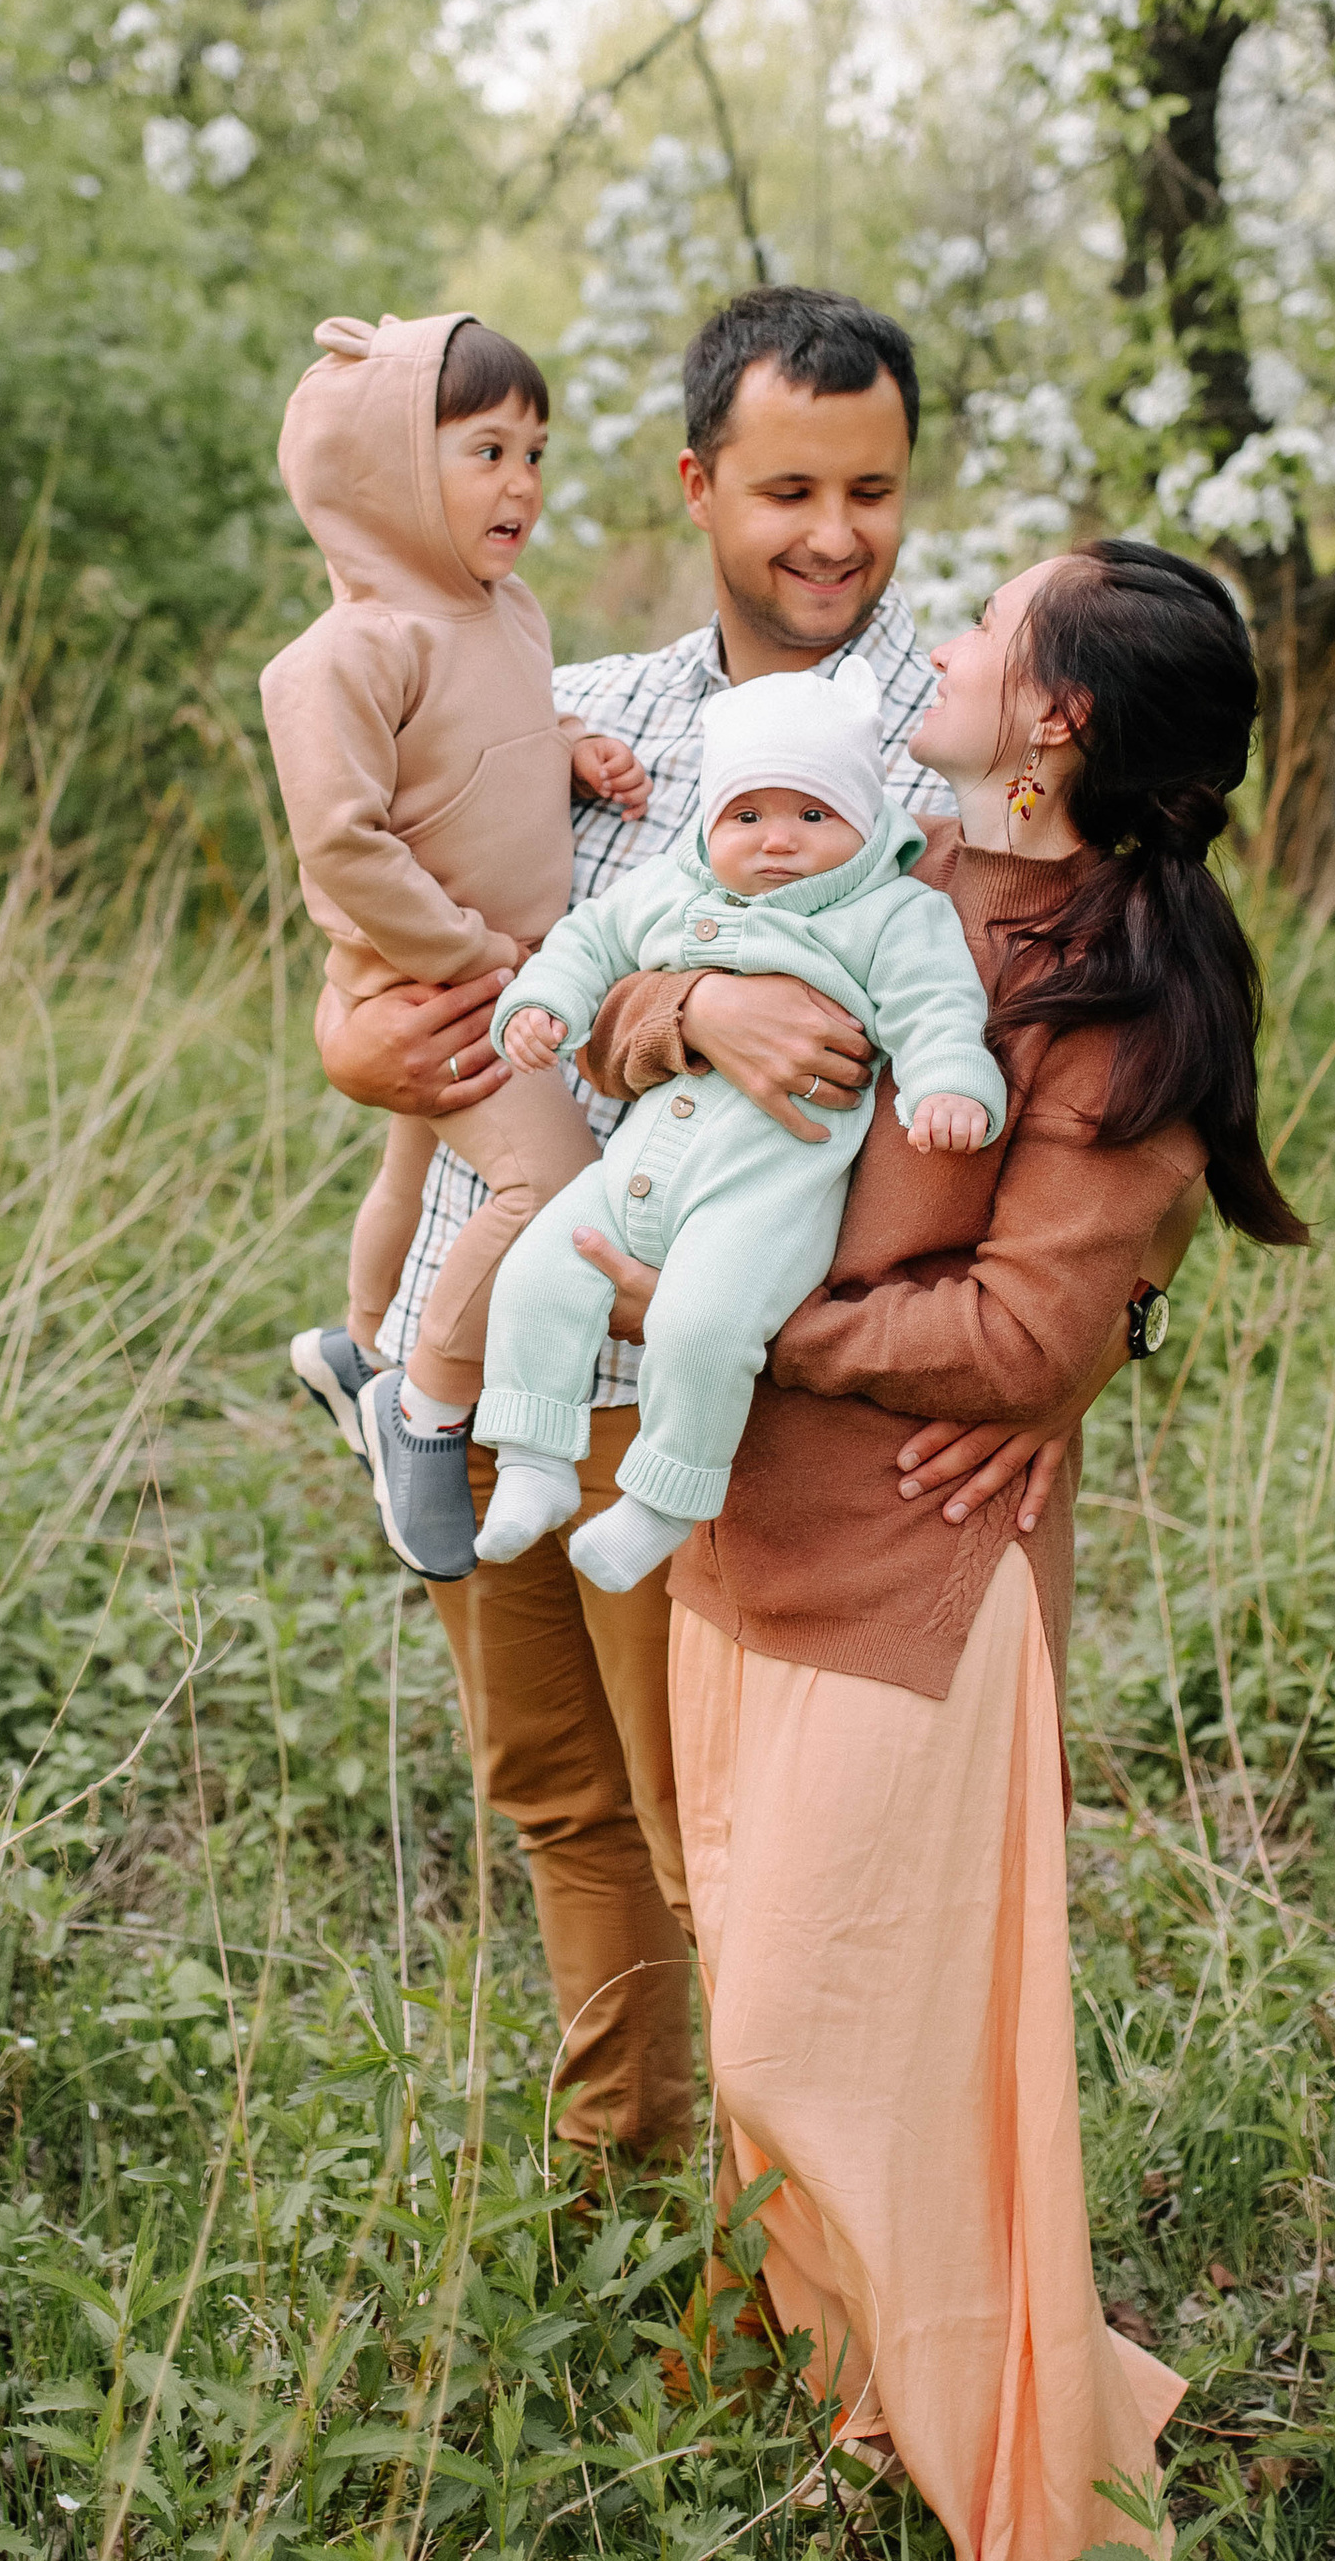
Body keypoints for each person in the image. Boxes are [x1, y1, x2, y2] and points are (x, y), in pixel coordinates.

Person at [576, 538, 1306, 2561]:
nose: (950, 639)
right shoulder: (865, 833)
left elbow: (1015, 1329)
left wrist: (740, 1316)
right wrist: (692, 1004)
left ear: (1059, 719)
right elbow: (619, 999)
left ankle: (1050, 2522)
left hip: (908, 1570)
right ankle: (867, 2410)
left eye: (996, 628)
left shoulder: (1120, 991)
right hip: (731, 1534)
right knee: (774, 2042)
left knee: (854, 2047)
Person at [302, 287, 1077, 2160]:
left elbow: (1084, 1065)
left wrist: (1081, 1338)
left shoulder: (966, 752)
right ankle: (611, 2184)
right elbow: (419, 980)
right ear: (700, 483)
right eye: (790, 485)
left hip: (724, 1379)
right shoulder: (574, 714)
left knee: (708, 1828)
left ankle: (769, 2266)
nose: (834, 532)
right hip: (487, 1328)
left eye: (874, 489)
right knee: (557, 1795)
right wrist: (378, 1043)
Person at [257, 309, 648, 1578]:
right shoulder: (346, 653)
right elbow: (344, 842)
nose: (521, 483)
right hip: (444, 973)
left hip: (492, 955)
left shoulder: (506, 610)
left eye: (535, 453)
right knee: (545, 1188)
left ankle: (362, 1342)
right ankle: (422, 1406)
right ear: (386, 472)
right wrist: (475, 954)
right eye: (486, 450)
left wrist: (575, 742)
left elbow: (504, 732)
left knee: (415, 1172)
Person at [472, 657, 1003, 1591]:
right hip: (633, 1168)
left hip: (764, 1195)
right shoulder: (676, 888)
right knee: (534, 1279)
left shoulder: (892, 914)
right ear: (711, 823)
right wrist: (541, 1004)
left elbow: (936, 1011)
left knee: (703, 1326)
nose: (779, 843)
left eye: (813, 814)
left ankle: (664, 1501)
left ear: (867, 820)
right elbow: (589, 941)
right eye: (747, 817)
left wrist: (950, 1085)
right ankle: (533, 1461)